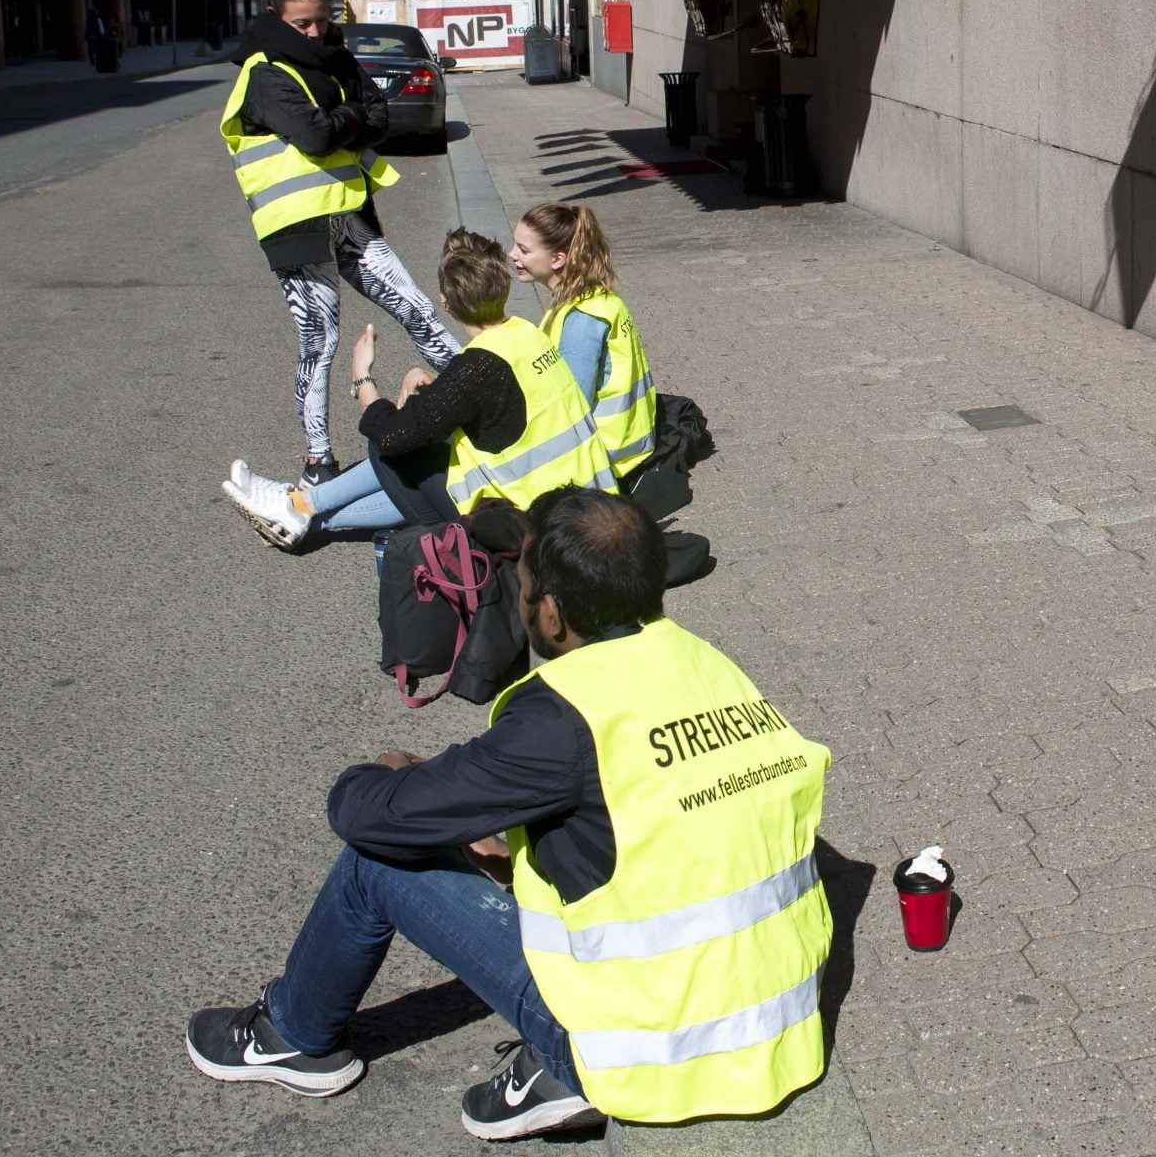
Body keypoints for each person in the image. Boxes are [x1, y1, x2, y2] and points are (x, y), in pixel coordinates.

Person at [186, 489, 835, 1141]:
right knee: (499, 853)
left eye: (523, 587)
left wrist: (384, 770)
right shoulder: (709, 667)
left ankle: (293, 1034)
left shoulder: (563, 714)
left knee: (371, 864)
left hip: (642, 1049)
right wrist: (509, 849)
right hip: (777, 1036)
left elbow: (370, 816)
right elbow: (650, 831)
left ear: (551, 614)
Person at [225, 229, 616, 547]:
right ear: (503, 289)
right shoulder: (526, 334)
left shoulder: (476, 368)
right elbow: (493, 396)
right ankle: (302, 512)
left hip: (528, 527)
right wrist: (433, 389)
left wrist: (363, 380)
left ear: (445, 302)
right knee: (419, 433)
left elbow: (394, 435)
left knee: (387, 441)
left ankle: (301, 506)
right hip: (587, 506)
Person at [222, 0, 459, 485]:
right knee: (320, 340)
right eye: (301, 24)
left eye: (321, 21)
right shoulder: (264, 72)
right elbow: (315, 136)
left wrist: (345, 122)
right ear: (274, 17)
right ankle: (317, 463)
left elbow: (381, 114)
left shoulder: (337, 58)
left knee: (416, 306)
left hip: (349, 217)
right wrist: (350, 121)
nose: (315, 32)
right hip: (298, 230)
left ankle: (484, 399)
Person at [510, 202, 660, 484]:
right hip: (632, 441)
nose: (512, 254)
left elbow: (572, 406)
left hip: (607, 458)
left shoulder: (580, 320)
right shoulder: (601, 298)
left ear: (557, 259)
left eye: (524, 250)